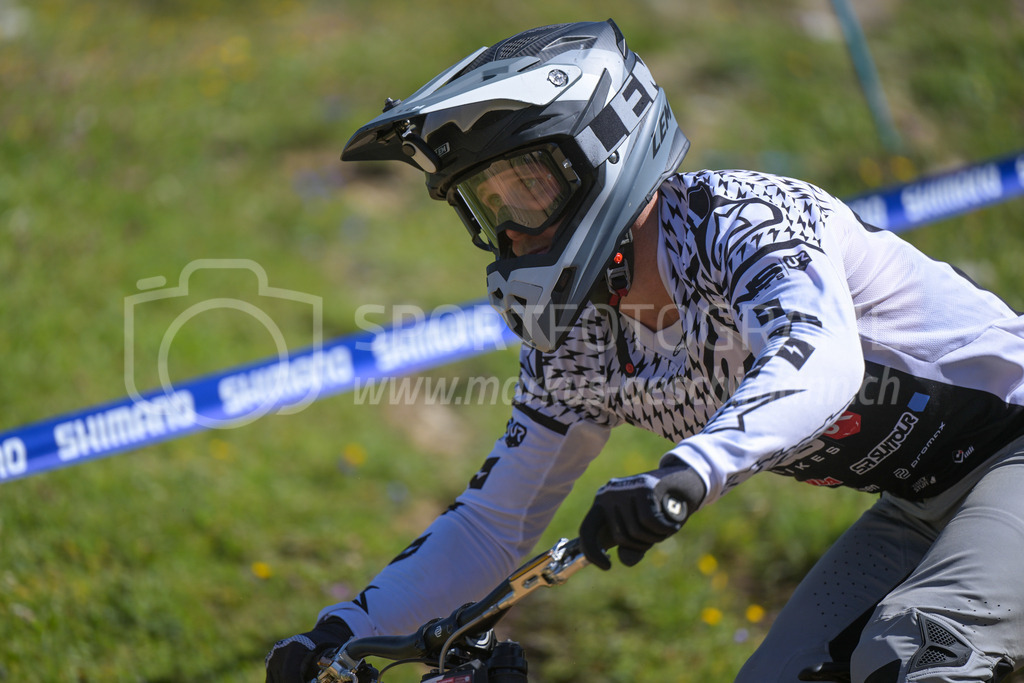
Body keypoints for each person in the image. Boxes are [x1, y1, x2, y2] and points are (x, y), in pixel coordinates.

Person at [266, 19, 1024, 683]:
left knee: (916, 650)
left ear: (603, 151)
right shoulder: (580, 341)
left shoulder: (744, 220)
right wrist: (338, 633)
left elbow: (820, 358)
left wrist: (687, 471)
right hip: (922, 504)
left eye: (526, 191)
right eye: (488, 207)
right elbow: (494, 522)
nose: (513, 234)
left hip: (1014, 447)